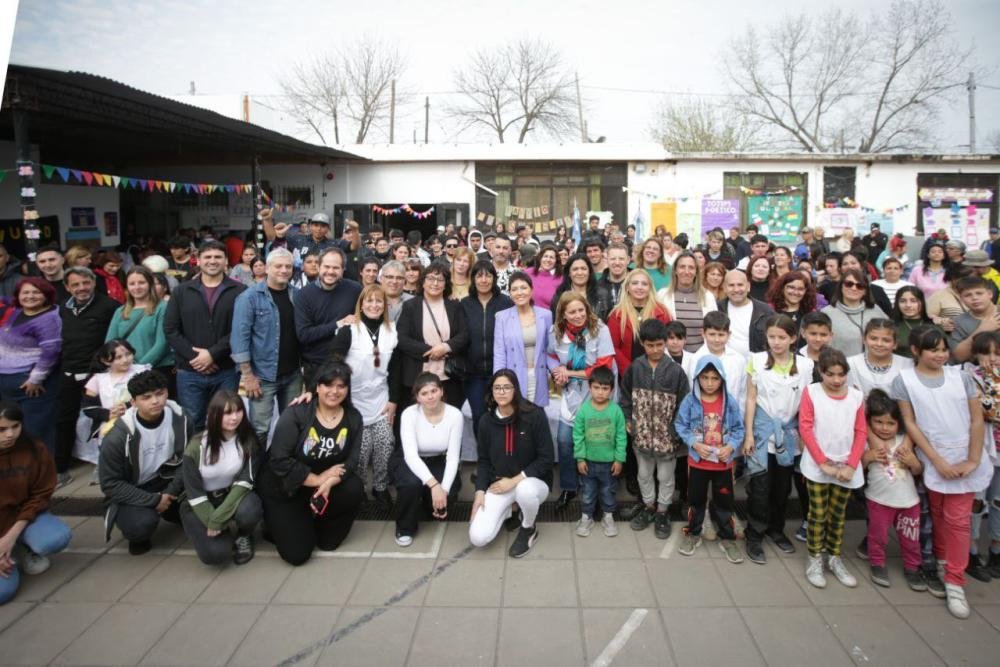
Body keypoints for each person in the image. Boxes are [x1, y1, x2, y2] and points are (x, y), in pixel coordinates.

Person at [893, 325, 993, 618]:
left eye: (942, 349)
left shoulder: (960, 377)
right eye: (932, 349)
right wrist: (936, 461)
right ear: (915, 351)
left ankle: (955, 580)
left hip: (966, 455)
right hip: (935, 457)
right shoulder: (905, 381)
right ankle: (941, 560)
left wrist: (972, 460)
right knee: (937, 513)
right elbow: (911, 423)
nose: (939, 355)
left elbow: (977, 420)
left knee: (958, 520)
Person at [258, 362, 365, 565]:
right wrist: (317, 479)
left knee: (353, 489)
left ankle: (312, 521)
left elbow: (352, 460)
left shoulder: (353, 418)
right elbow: (279, 460)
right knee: (297, 555)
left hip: (320, 486)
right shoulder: (297, 414)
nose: (334, 391)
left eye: (341, 386)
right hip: (286, 486)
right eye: (328, 385)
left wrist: (328, 482)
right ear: (317, 387)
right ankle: (273, 525)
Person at [742, 315, 815, 564]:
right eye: (772, 336)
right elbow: (751, 398)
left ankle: (776, 528)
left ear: (793, 338)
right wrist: (749, 433)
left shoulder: (805, 366)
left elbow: (806, 403)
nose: (776, 342)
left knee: (782, 488)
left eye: (782, 337)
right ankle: (754, 534)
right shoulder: (757, 361)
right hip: (762, 431)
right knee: (760, 487)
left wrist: (805, 436)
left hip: (789, 432)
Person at [98, 370, 191, 554]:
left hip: (168, 481)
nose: (155, 401)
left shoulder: (182, 418)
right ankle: (138, 533)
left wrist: (169, 493)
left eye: (160, 394)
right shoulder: (118, 436)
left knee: (203, 505)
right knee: (140, 525)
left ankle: (172, 511)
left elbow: (188, 460)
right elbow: (110, 484)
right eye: (146, 397)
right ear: (133, 402)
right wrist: (153, 500)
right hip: (135, 487)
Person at [326, 283, 401, 510]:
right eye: (369, 301)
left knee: (385, 444)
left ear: (385, 305)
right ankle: (356, 489)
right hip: (355, 399)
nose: (374, 305)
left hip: (381, 397)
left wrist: (394, 400)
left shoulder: (392, 330)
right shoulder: (349, 329)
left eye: (379, 301)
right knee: (361, 448)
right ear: (361, 303)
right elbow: (333, 361)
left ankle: (380, 488)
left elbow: (396, 369)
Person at [799, 347, 867, 589]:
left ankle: (834, 556)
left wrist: (851, 465)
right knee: (817, 514)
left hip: (847, 466)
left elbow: (861, 432)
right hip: (819, 466)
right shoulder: (811, 392)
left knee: (838, 515)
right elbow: (805, 428)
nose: (836, 380)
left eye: (841, 374)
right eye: (831, 374)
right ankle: (815, 558)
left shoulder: (856, 396)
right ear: (821, 372)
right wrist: (823, 462)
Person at [469, 370, 553, 557]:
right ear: (491, 391)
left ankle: (528, 528)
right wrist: (480, 491)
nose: (501, 392)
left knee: (525, 490)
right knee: (478, 537)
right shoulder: (485, 421)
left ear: (516, 389)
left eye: (507, 387)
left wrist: (514, 480)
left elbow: (546, 458)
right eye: (496, 388)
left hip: (532, 483)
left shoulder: (534, 415)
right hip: (500, 485)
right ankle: (511, 509)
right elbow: (483, 460)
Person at [164, 241, 246, 431]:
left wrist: (212, 354)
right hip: (189, 371)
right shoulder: (181, 291)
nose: (212, 261)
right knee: (192, 422)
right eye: (207, 257)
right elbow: (171, 329)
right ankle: (196, 459)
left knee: (227, 421)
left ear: (226, 261)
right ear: (198, 261)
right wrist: (196, 357)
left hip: (225, 369)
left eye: (218, 257)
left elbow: (241, 329)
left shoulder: (239, 291)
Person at [620, 318, 689, 539]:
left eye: (660, 344)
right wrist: (629, 421)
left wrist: (674, 432)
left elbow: (684, 404)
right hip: (641, 437)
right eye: (651, 345)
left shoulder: (676, 372)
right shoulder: (635, 368)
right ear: (643, 343)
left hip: (667, 440)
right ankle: (648, 507)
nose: (656, 349)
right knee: (643, 474)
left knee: (666, 477)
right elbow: (625, 398)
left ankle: (662, 511)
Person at [675, 354, 745, 563]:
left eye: (715, 378)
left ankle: (727, 538)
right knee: (695, 501)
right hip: (697, 463)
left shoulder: (729, 402)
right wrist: (694, 444)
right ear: (697, 378)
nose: (709, 383)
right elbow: (680, 425)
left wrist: (731, 446)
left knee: (724, 503)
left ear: (722, 379)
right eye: (705, 378)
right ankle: (694, 534)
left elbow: (738, 429)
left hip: (722, 466)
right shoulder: (690, 401)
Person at [548, 293, 615, 510]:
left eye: (581, 310)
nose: (578, 316)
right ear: (563, 315)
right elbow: (549, 356)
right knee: (565, 440)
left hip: (597, 393)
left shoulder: (600, 330)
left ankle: (596, 490)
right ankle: (568, 487)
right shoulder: (555, 332)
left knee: (596, 440)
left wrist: (570, 371)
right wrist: (556, 372)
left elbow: (603, 366)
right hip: (571, 393)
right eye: (572, 312)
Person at [0, 400, 72, 605]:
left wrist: (10, 537)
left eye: (15, 426)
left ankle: (22, 547)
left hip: (24, 517)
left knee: (56, 538)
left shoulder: (33, 448)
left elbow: (41, 494)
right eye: (2, 429)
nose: (10, 434)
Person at [180, 390, 262, 565]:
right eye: (227, 413)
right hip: (201, 500)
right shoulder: (196, 446)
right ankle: (211, 530)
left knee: (250, 510)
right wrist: (211, 519)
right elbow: (193, 492)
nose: (234, 417)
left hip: (233, 493)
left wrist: (218, 519)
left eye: (238, 411)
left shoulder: (248, 439)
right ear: (214, 414)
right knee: (216, 555)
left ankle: (244, 534)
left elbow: (245, 481)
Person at [230, 248, 300, 444]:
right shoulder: (249, 298)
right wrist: (248, 375)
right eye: (278, 266)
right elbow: (239, 339)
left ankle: (281, 468)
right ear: (267, 268)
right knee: (259, 429)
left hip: (293, 374)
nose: (284, 270)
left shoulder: (297, 295)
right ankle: (255, 471)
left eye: (288, 266)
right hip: (262, 376)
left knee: (290, 426)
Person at [56, 267, 118, 487]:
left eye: (85, 282)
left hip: (97, 373)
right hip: (68, 372)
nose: (81, 288)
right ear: (67, 287)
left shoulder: (109, 306)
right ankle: (60, 469)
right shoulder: (62, 308)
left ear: (93, 282)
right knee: (64, 420)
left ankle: (104, 467)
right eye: (75, 284)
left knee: (103, 420)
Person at [862, 389, 925, 590]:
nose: (884, 428)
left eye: (890, 423)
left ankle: (913, 567)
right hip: (878, 500)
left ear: (899, 424)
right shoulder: (867, 443)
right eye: (879, 422)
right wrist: (869, 457)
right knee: (877, 536)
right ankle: (877, 564)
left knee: (911, 538)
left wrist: (913, 462)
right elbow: (859, 466)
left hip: (909, 501)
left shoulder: (904, 442)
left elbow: (917, 471)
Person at [392, 373, 462, 546]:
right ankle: (405, 527)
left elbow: (453, 458)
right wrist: (434, 485)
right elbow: (411, 456)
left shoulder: (455, 415)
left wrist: (443, 491)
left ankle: (427, 505)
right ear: (417, 397)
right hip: (410, 459)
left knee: (451, 489)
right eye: (424, 393)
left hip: (438, 460)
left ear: (441, 391)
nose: (430, 396)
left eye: (434, 390)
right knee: (411, 483)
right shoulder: (409, 414)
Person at [0, 278, 62, 459]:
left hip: (31, 384)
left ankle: (48, 473)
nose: (30, 296)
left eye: (36, 292)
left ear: (46, 295)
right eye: (25, 292)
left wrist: (36, 379)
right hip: (7, 380)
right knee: (15, 430)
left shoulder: (49, 318)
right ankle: (25, 471)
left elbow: (51, 351)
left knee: (37, 431)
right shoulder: (16, 312)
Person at [396, 262, 469, 411]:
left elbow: (465, 334)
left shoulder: (454, 306)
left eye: (440, 279)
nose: (435, 283)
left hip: (449, 377)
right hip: (418, 376)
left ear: (446, 284)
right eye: (430, 278)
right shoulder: (410, 306)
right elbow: (402, 339)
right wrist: (431, 350)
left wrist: (444, 347)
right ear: (422, 282)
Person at [76, 339, 150, 479]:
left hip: (141, 423)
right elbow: (88, 407)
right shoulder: (98, 379)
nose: (125, 360)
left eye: (128, 354)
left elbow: (150, 394)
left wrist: (128, 406)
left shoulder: (142, 372)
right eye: (118, 357)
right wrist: (107, 413)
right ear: (105, 360)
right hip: (111, 427)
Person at [294, 247, 362, 388]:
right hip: (316, 366)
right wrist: (338, 324)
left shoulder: (355, 289)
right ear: (318, 267)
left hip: (348, 362)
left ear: (343, 270)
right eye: (326, 266)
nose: (330, 271)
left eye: (336, 268)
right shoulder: (303, 295)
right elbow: (304, 335)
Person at [573, 366, 627, 538]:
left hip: (609, 463)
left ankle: (608, 516)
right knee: (588, 492)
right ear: (590, 388)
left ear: (611, 390)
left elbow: (621, 436)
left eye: (605, 389)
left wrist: (619, 459)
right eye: (597, 388)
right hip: (588, 462)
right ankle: (586, 517)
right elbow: (578, 435)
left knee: (608, 491)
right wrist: (580, 458)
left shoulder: (616, 411)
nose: (600, 392)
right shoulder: (584, 410)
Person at [493, 272, 554, 407]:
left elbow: (549, 349)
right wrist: (499, 382)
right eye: (514, 289)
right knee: (516, 415)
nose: (519, 292)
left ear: (531, 290)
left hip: (538, 374)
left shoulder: (546, 315)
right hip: (513, 377)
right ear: (510, 293)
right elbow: (499, 353)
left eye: (523, 288)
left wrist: (557, 371)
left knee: (536, 415)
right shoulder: (502, 317)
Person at [967, 331, 1000, 580]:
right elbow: (988, 410)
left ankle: (996, 549)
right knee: (976, 501)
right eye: (986, 353)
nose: (992, 359)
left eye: (997, 353)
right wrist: (990, 378)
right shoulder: (969, 377)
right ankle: (971, 550)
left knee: (998, 500)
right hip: (979, 450)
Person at [106, 267, 173, 382]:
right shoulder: (120, 311)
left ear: (150, 284)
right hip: (126, 372)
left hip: (157, 370)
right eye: (132, 284)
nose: (136, 287)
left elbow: (161, 344)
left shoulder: (162, 307)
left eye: (141, 282)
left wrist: (138, 368)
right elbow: (110, 343)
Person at [607, 269, 671, 378]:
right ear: (627, 287)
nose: (639, 287)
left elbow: (668, 342)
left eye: (644, 284)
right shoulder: (616, 315)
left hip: (658, 372)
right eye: (635, 283)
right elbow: (613, 347)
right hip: (629, 374)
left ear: (650, 288)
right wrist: (630, 370)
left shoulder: (662, 312)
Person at [657, 252, 717, 352]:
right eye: (682, 267)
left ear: (696, 272)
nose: (686, 271)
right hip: (672, 359)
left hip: (700, 358)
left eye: (691, 268)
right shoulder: (662, 295)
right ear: (675, 270)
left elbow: (714, 329)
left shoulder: (708, 296)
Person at [821, 268, 887, 357]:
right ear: (841, 286)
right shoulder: (826, 313)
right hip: (840, 367)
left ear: (865, 291)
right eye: (849, 284)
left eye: (860, 286)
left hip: (872, 367)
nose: (854, 288)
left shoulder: (876, 311)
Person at [847, 319, 913, 397]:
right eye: (873, 338)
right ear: (864, 339)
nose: (879, 344)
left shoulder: (908, 366)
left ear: (895, 344)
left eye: (886, 340)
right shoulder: (850, 364)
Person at [717, 270, 774, 359]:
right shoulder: (717, 308)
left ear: (748, 286)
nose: (736, 289)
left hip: (756, 365)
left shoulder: (765, 311)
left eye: (740, 285)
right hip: (725, 364)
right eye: (731, 285)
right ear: (724, 288)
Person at [949, 276, 1000, 363]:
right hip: (975, 371)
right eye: (968, 295)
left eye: (979, 293)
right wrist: (981, 330)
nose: (974, 298)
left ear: (990, 294)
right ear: (961, 299)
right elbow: (959, 356)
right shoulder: (958, 322)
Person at [550, 253, 613, 322]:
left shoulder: (603, 294)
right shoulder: (559, 296)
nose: (580, 273)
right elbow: (556, 324)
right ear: (569, 273)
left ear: (589, 272)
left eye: (583, 269)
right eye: (575, 269)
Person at [891, 286, 935, 358]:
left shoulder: (934, 325)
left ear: (922, 302)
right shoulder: (890, 326)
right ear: (897, 303)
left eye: (913, 301)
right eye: (903, 301)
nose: (908, 305)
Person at [523, 245, 562, 311]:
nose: (548, 260)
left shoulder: (560, 278)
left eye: (552, 257)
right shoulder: (527, 273)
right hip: (527, 316)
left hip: (549, 318)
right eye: (545, 256)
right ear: (540, 258)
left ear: (556, 261)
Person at [597, 242, 631, 307]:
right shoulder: (597, 286)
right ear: (607, 260)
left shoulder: (638, 284)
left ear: (628, 260)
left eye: (621, 259)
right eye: (613, 259)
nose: (617, 263)